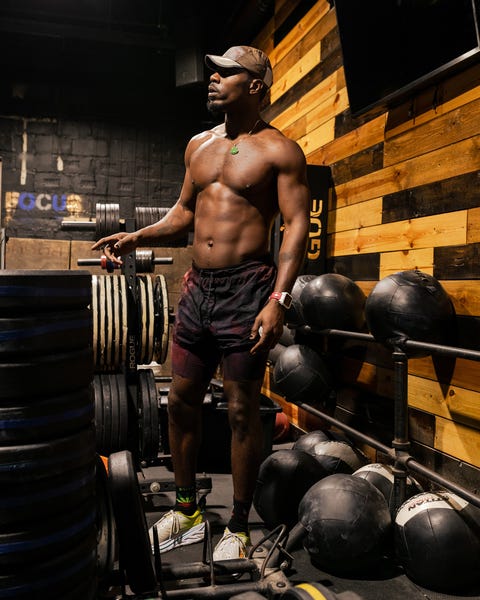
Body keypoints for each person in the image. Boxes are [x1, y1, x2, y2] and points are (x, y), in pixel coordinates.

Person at [92, 45, 311, 561]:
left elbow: (296, 227)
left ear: (255, 86)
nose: (213, 79)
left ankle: (236, 525)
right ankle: (187, 511)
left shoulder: (280, 151)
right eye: (213, 71)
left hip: (248, 290)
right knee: (182, 401)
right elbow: (183, 214)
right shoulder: (198, 145)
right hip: (197, 292)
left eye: (226, 72)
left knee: (241, 411)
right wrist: (136, 236)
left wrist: (279, 298)